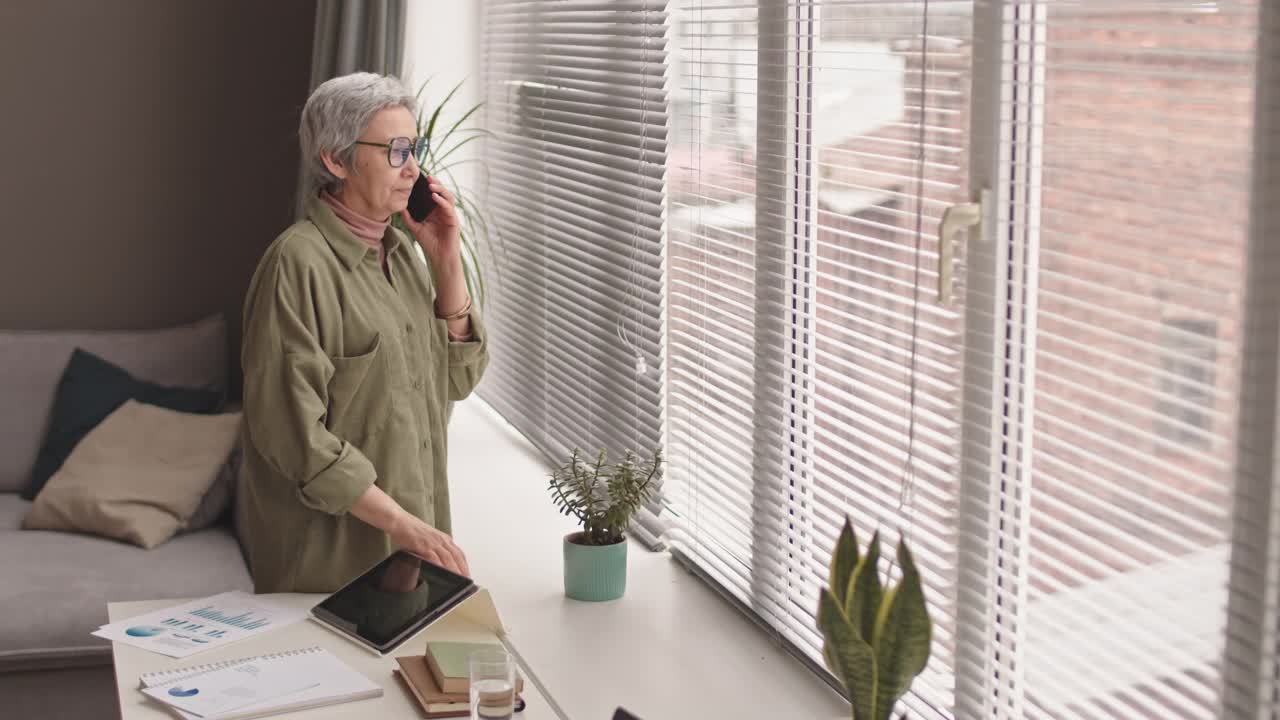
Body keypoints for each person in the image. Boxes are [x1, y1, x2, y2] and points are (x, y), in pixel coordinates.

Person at [238, 72, 487, 593]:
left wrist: (445, 261)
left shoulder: (402, 255)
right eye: (397, 150)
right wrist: (402, 525)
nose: (413, 168)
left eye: (415, 148)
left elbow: (455, 383)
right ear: (336, 159)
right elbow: (295, 437)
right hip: (330, 564)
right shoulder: (296, 264)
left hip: (414, 553)